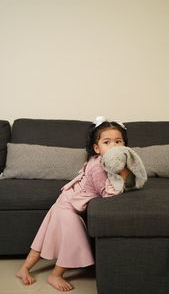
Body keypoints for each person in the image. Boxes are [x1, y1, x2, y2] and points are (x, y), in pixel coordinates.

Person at [16, 117, 131, 292]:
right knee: (73, 239)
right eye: (107, 142)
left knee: (45, 235)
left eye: (118, 141)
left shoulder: (102, 160)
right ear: (96, 148)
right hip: (68, 206)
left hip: (64, 200)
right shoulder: (98, 166)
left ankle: (24, 269)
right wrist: (123, 175)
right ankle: (55, 274)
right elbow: (107, 193)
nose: (114, 146)